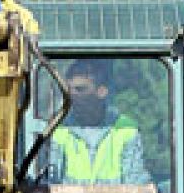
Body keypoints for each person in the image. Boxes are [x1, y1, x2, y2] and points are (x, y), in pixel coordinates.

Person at [47, 58, 150, 186]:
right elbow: (51, 184)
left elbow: (136, 183)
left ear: (101, 92)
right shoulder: (59, 130)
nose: (71, 96)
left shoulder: (126, 130)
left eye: (80, 89)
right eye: (68, 90)